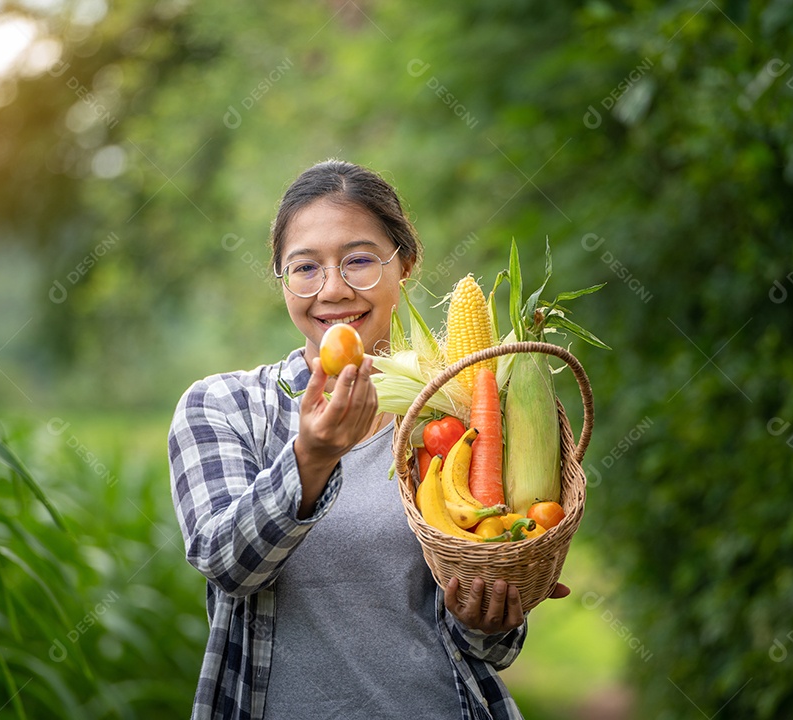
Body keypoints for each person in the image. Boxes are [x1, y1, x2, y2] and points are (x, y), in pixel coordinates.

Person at [168, 159, 568, 720]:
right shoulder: (223, 407)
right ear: (282, 280)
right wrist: (311, 459)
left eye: (359, 260)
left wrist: (489, 616)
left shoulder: (457, 419)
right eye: (305, 267)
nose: (333, 289)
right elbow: (227, 564)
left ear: (404, 265)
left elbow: (491, 649)